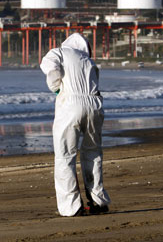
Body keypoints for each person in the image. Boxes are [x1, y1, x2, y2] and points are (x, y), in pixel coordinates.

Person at [40, 32, 110, 216]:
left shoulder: (59, 52)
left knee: (65, 156)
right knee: (93, 153)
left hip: (71, 104)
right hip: (95, 105)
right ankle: (99, 200)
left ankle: (71, 207)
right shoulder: (89, 62)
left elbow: (51, 69)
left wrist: (56, 89)